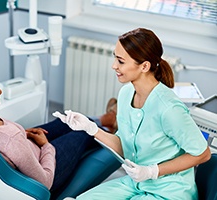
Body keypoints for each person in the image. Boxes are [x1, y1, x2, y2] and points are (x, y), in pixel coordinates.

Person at [0, 44, 118, 199]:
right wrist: (45, 147)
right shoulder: (11, 139)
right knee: (82, 131)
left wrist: (20, 136)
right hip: (43, 170)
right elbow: (45, 183)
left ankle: (106, 119)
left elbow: (1, 142)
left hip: (21, 149)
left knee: (66, 120)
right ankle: (113, 130)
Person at [53, 28, 211, 199]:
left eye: (120, 61)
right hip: (136, 183)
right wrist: (91, 129)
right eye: (115, 57)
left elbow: (203, 153)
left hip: (169, 191)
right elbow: (124, 146)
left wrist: (152, 171)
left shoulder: (169, 108)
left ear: (144, 66)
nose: (114, 65)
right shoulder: (126, 93)